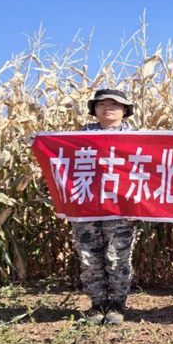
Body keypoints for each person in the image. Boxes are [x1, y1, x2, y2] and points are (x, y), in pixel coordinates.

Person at [72, 89, 138, 325]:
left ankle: (117, 305)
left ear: (125, 110)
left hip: (121, 207)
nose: (107, 108)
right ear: (94, 109)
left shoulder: (138, 138)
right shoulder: (78, 137)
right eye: (101, 104)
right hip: (86, 205)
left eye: (114, 104)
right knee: (89, 257)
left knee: (117, 257)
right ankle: (97, 305)